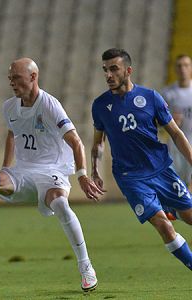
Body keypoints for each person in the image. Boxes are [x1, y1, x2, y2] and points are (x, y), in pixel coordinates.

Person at [0, 57, 104, 292]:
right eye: (10, 78)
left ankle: (86, 267)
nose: (12, 83)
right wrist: (6, 167)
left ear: (33, 77)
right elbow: (12, 135)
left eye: (16, 78)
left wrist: (82, 176)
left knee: (60, 204)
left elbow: (76, 141)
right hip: (24, 171)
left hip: (52, 170)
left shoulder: (49, 105)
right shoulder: (9, 107)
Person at [91, 48, 192, 271]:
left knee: (190, 215)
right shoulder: (100, 106)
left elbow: (175, 133)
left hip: (161, 169)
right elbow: (99, 142)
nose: (108, 75)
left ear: (128, 70)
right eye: (105, 70)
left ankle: (173, 209)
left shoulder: (150, 97)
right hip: (130, 177)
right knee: (163, 227)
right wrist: (94, 170)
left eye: (114, 69)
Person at [161, 55, 192, 192]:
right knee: (178, 186)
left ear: (190, 68)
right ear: (175, 69)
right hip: (176, 146)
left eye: (186, 65)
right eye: (179, 66)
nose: (182, 69)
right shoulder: (167, 93)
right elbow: (156, 122)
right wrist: (169, 121)